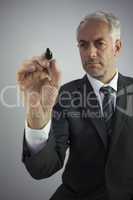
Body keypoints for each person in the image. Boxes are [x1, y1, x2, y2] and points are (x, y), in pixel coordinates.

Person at [17, 11, 133, 200]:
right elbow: (43, 168)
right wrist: (36, 115)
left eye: (99, 43)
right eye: (83, 45)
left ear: (117, 47)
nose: (90, 53)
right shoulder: (64, 95)